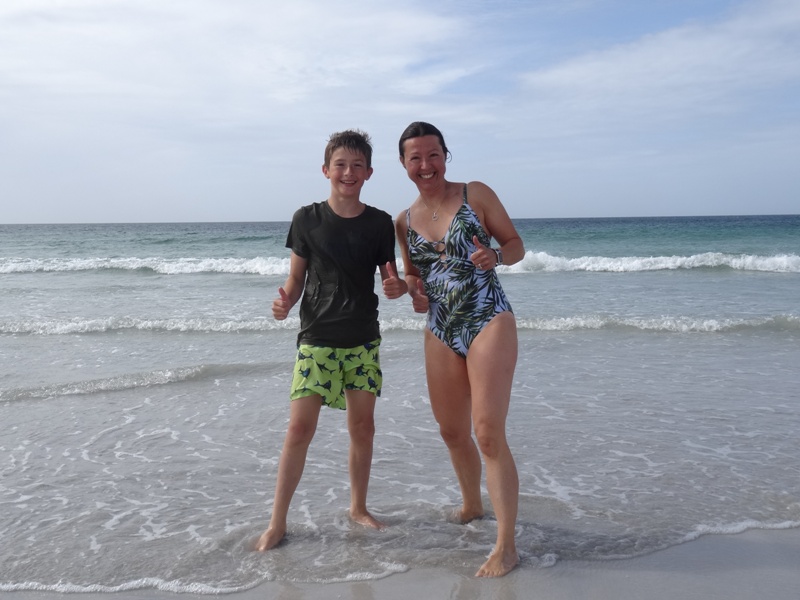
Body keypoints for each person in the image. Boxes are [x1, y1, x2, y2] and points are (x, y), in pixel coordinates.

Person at [255, 129, 407, 552]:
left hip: (361, 338)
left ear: (369, 173)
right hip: (317, 337)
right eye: (340, 164)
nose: (348, 172)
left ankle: (358, 508)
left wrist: (396, 288)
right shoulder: (307, 218)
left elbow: (389, 276)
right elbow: (296, 277)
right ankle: (277, 522)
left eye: (357, 165)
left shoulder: (379, 223)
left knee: (363, 427)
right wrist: (285, 302)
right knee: (299, 429)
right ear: (326, 170)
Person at [394, 121, 525, 577]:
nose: (425, 165)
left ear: (446, 156)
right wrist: (407, 289)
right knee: (452, 432)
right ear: (404, 164)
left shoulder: (475, 194)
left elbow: (516, 244)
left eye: (433, 155)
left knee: (487, 432)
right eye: (416, 157)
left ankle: (506, 546)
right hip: (441, 326)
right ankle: (472, 506)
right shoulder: (403, 220)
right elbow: (416, 276)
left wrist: (498, 256)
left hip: (488, 316)